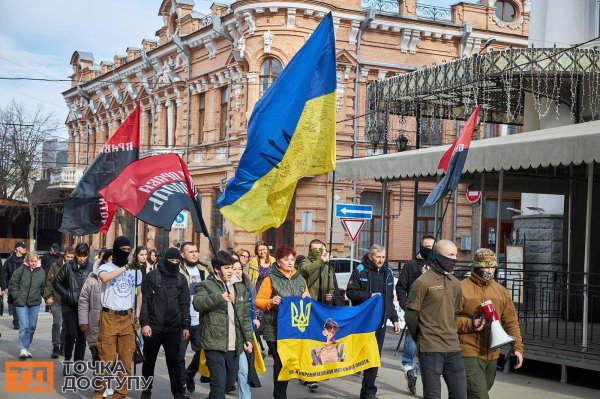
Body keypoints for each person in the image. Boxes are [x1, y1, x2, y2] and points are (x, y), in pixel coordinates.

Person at [457, 248, 524, 399]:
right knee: (479, 395)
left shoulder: (501, 291)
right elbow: (448, 320)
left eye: (492, 266)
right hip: (467, 351)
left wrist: (517, 347)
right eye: (485, 266)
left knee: (479, 391)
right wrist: (471, 324)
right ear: (476, 266)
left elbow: (511, 321)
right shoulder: (461, 288)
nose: (489, 270)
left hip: (492, 354)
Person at [405, 239, 466, 399]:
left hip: (453, 347)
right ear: (438, 256)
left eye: (456, 255)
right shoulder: (422, 282)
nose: (454, 259)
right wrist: (421, 337)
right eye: (450, 255)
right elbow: (411, 315)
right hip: (430, 348)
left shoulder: (455, 283)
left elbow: (456, 313)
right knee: (432, 395)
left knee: (460, 394)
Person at [193, 251, 253, 399]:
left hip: (234, 345)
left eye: (231, 267)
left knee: (228, 383)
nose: (230, 271)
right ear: (216, 269)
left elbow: (245, 317)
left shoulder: (240, 288)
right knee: (218, 388)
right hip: (214, 344)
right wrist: (220, 297)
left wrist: (248, 339)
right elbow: (197, 303)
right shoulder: (205, 285)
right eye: (226, 268)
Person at [346, 244, 401, 399]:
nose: (381, 260)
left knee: (374, 357)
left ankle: (368, 392)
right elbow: (350, 293)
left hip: (380, 322)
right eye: (378, 257)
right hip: (363, 322)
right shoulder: (360, 271)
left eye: (383, 257)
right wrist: (369, 295)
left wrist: (394, 318)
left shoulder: (388, 272)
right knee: (359, 355)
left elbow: (389, 298)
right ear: (370, 256)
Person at [255, 245, 309, 399]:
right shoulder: (270, 278)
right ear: (278, 261)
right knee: (280, 362)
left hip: (295, 328)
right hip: (274, 328)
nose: (290, 262)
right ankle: (279, 395)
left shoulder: (300, 278)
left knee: (289, 362)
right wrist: (271, 301)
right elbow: (258, 301)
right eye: (286, 259)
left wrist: (307, 298)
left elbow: (308, 299)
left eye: (292, 259)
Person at [93, 236, 142, 399]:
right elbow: (105, 278)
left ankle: (120, 395)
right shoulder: (105, 267)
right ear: (115, 250)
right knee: (107, 360)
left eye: (129, 250)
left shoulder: (136, 271)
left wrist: (138, 314)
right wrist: (126, 267)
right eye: (123, 250)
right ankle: (99, 393)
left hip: (128, 318)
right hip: (109, 317)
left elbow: (139, 293)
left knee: (126, 362)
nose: (126, 253)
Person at [140, 248, 191, 399]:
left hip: (174, 328)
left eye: (177, 262)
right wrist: (144, 323)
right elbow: (145, 302)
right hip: (154, 327)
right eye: (172, 261)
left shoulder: (181, 279)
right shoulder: (151, 277)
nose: (174, 264)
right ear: (165, 260)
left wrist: (185, 326)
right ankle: (146, 389)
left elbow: (184, 304)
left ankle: (178, 393)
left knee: (174, 362)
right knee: (149, 361)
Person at [298, 239, 340, 392]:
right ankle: (309, 376)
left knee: (319, 342)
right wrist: (320, 261)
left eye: (320, 249)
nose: (317, 251)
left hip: (323, 309)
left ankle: (314, 371)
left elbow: (331, 286)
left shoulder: (328, 268)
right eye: (314, 249)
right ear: (309, 250)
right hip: (308, 310)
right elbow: (306, 272)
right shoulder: (304, 262)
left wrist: (331, 294)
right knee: (309, 342)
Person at [395, 234, 435, 395]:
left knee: (432, 349)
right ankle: (408, 368)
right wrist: (407, 307)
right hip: (415, 312)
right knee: (411, 345)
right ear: (420, 246)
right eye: (426, 247)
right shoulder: (411, 265)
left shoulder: (437, 265)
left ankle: (415, 373)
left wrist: (430, 275)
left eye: (432, 247)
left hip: (433, 314)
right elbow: (401, 288)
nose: (429, 250)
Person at [53, 242, 93, 368]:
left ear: (88, 255)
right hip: (69, 306)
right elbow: (56, 282)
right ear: (75, 254)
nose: (81, 258)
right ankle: (68, 359)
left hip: (85, 307)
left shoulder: (92, 268)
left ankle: (78, 366)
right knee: (71, 334)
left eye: (84, 255)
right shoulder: (68, 267)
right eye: (79, 255)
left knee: (81, 338)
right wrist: (67, 294)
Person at [179, 241, 211, 393]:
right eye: (190, 252)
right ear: (182, 255)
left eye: (196, 251)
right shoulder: (178, 270)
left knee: (201, 353)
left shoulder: (204, 271)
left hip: (200, 320)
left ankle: (189, 375)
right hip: (182, 320)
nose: (194, 254)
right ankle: (180, 384)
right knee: (179, 356)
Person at [9, 251, 46, 359]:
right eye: (31, 261)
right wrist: (16, 296)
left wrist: (47, 298)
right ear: (27, 261)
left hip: (34, 303)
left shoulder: (42, 272)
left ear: (38, 260)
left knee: (32, 326)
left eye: (35, 261)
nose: (33, 263)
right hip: (21, 303)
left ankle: (26, 347)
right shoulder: (21, 269)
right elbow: (13, 283)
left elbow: (43, 287)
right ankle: (23, 348)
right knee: (24, 325)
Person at [232, 259, 260, 399]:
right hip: (227, 336)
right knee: (227, 372)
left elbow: (251, 308)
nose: (237, 271)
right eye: (234, 268)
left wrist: (255, 318)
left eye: (239, 269)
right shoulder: (223, 288)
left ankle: (245, 397)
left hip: (244, 333)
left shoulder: (246, 288)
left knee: (244, 369)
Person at [79, 249, 112, 362]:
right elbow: (83, 300)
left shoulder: (121, 275)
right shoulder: (93, 276)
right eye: (111, 260)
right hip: (95, 322)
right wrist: (83, 321)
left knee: (110, 356)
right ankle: (100, 377)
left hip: (113, 323)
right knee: (98, 355)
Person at [44, 246, 75, 359]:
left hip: (69, 301)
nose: (70, 259)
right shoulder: (55, 265)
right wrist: (48, 296)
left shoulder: (75, 267)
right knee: (57, 323)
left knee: (66, 326)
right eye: (68, 257)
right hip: (56, 299)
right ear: (64, 255)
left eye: (72, 257)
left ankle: (63, 346)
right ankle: (55, 346)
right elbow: (48, 282)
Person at [5, 241, 27, 330]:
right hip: (13, 287)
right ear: (17, 248)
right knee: (15, 305)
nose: (25, 248)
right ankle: (16, 322)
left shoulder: (27, 260)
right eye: (22, 247)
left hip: (24, 287)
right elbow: (5, 275)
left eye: (25, 247)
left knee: (24, 305)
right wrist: (5, 287)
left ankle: (22, 321)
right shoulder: (9, 261)